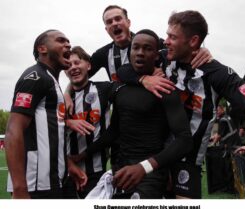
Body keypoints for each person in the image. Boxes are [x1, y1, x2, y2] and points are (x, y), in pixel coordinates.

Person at [118, 11, 245, 199]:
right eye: (167, 35)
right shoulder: (163, 58)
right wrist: (144, 79)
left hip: (187, 161)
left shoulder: (217, 73)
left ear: (193, 41)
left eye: (172, 37)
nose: (166, 41)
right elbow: (124, 70)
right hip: (155, 155)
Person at [86, 29, 193, 199]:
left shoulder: (166, 90)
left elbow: (184, 140)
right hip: (120, 172)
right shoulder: (121, 89)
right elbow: (114, 131)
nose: (140, 53)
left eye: (147, 48)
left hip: (150, 174)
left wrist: (145, 167)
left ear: (157, 56)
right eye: (135, 48)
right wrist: (82, 154)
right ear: (130, 52)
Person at [5, 30, 87, 199]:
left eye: (69, 43)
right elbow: (13, 131)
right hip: (36, 186)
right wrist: (20, 189)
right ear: (42, 49)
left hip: (57, 180)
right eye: (61, 41)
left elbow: (52, 133)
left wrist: (67, 164)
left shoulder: (52, 81)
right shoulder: (35, 77)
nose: (68, 45)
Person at [63, 46, 113, 198]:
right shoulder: (58, 97)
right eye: (69, 65)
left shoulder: (104, 89)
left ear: (89, 66)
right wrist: (67, 121)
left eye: (77, 63)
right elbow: (51, 130)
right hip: (66, 172)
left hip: (96, 172)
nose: (73, 67)